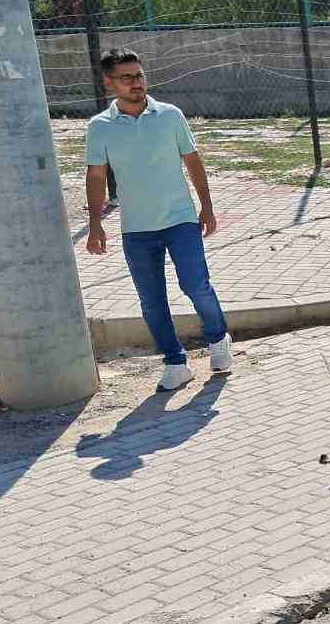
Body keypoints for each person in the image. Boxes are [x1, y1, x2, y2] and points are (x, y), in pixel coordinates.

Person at [84, 48, 231, 391]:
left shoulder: (170, 115)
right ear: (110, 83)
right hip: (136, 228)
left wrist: (206, 207)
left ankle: (218, 338)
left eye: (139, 75)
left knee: (195, 284)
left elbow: (193, 161)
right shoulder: (100, 127)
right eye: (127, 78)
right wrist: (95, 224)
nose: (136, 83)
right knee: (151, 299)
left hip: (180, 219)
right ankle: (175, 362)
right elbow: (95, 177)